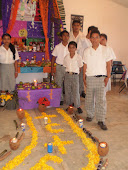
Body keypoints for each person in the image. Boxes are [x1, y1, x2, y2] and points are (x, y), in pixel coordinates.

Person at [83, 30, 113, 130]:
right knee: (89, 98)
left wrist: (108, 76)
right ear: (90, 39)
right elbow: (85, 65)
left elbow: (109, 64)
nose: (95, 39)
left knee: (101, 100)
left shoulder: (106, 49)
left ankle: (101, 120)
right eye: (93, 37)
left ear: (100, 38)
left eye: (97, 37)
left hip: (101, 78)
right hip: (90, 77)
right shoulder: (87, 51)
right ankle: (90, 115)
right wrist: (84, 77)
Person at [63, 41, 83, 114]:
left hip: (75, 76)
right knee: (68, 91)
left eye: (73, 47)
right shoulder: (66, 57)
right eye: (70, 47)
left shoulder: (78, 57)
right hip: (67, 75)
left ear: (76, 48)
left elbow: (80, 67)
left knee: (76, 91)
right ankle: (69, 105)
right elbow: (65, 66)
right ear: (68, 49)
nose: (71, 49)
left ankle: (78, 106)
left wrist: (76, 74)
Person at [69, 19, 86, 98]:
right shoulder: (69, 35)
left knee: (80, 76)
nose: (76, 27)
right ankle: (72, 92)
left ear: (80, 26)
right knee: (72, 76)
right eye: (74, 25)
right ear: (72, 26)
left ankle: (81, 91)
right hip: (71, 59)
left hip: (80, 59)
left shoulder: (83, 36)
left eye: (77, 25)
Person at [51, 30, 69, 105]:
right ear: (61, 37)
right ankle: (60, 99)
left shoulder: (71, 47)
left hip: (68, 67)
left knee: (68, 84)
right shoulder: (58, 47)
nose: (65, 37)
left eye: (67, 36)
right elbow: (53, 58)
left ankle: (68, 99)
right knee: (59, 83)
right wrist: (52, 69)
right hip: (59, 67)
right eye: (64, 35)